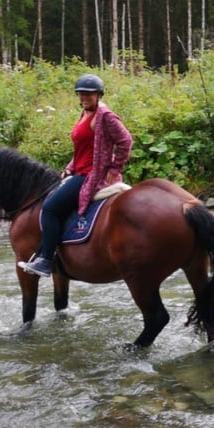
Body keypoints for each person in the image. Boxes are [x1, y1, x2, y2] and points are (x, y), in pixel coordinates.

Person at [19, 73, 133, 277]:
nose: (84, 98)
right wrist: (70, 167)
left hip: (91, 177)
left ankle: (45, 260)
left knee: (50, 208)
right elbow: (82, 149)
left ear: (98, 95)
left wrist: (115, 169)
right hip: (78, 172)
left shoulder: (105, 116)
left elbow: (126, 141)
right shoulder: (85, 114)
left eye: (89, 94)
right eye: (81, 94)